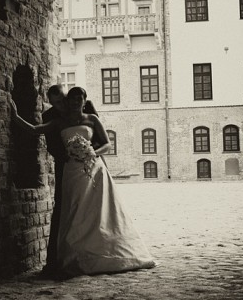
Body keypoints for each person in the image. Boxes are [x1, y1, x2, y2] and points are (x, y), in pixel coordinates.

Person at [10, 86, 157, 279]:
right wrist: (15, 116)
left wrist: (92, 153)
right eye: (72, 99)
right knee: (75, 210)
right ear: (68, 101)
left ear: (84, 100)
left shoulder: (92, 119)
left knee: (98, 210)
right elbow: (35, 130)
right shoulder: (59, 121)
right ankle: (78, 255)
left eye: (79, 99)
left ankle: (104, 251)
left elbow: (107, 144)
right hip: (72, 170)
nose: (75, 102)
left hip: (94, 168)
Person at [41, 84, 100, 277]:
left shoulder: (85, 106)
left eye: (62, 101)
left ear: (67, 97)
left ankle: (92, 252)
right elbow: (51, 145)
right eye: (55, 103)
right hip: (66, 167)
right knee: (62, 208)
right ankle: (54, 260)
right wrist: (68, 157)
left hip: (90, 164)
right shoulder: (49, 117)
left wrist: (88, 153)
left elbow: (98, 136)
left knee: (92, 205)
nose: (60, 106)